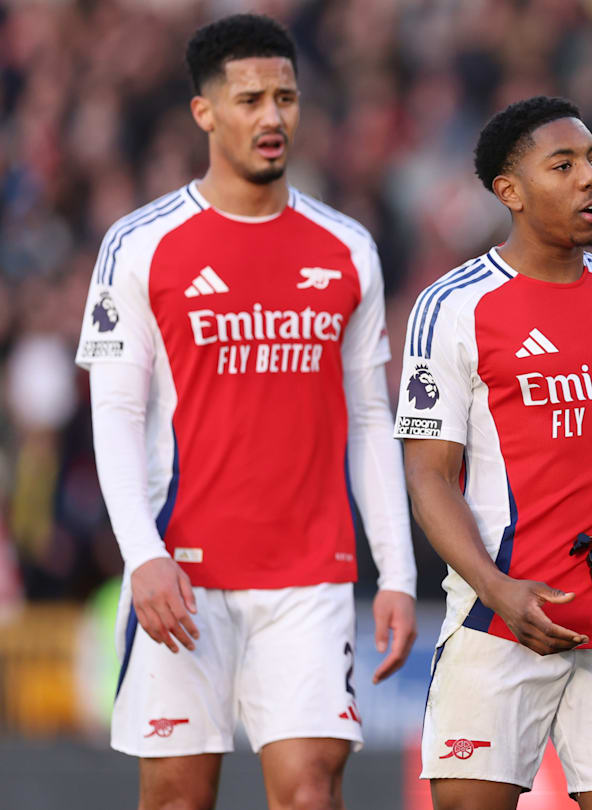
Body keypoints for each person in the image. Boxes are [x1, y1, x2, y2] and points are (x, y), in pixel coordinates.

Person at [74, 14, 418, 810]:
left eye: (287, 99)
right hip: (182, 570)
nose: (272, 117)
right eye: (251, 99)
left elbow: (370, 419)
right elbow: (116, 414)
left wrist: (395, 571)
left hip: (309, 572)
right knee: (177, 798)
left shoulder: (347, 248)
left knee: (308, 789)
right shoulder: (140, 244)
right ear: (204, 112)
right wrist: (142, 553)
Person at [395, 95, 592, 810]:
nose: (591, 178)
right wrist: (497, 589)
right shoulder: (453, 306)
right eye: (562, 165)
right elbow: (429, 475)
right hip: (501, 611)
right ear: (510, 192)